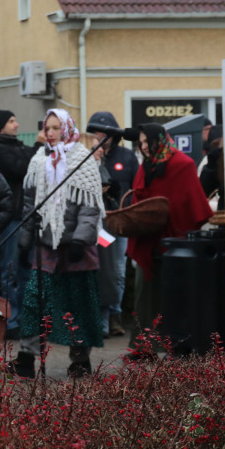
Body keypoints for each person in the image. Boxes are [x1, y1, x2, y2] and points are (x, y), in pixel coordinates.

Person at [16, 109, 105, 378]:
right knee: (34, 301)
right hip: (46, 247)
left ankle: (80, 360)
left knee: (77, 304)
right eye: (47, 127)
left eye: (55, 128)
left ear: (66, 129)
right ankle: (26, 357)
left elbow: (90, 207)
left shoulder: (83, 159)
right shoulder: (38, 161)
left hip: (76, 248)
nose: (50, 133)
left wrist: (80, 240)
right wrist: (24, 241)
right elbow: (30, 206)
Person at [127, 122, 214, 347]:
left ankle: (176, 344)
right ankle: (143, 346)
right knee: (144, 296)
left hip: (174, 243)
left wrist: (165, 218)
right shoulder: (146, 165)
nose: (144, 146)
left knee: (174, 297)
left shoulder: (182, 164)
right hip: (147, 241)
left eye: (148, 141)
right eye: (141, 142)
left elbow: (190, 204)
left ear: (160, 139)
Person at [0, 108, 36, 341]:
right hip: (12, 218)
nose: (16, 125)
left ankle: (27, 320)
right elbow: (23, 168)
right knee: (9, 271)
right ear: (0, 126)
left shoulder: (19, 148)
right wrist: (37, 146)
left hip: (27, 215)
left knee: (27, 270)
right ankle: (11, 319)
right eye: (11, 121)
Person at [88, 111, 137, 337]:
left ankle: (115, 315)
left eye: (105, 133)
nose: (101, 137)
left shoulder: (127, 157)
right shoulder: (87, 155)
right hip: (96, 223)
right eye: (97, 133)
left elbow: (136, 189)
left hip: (120, 222)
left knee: (117, 270)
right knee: (101, 271)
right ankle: (101, 318)